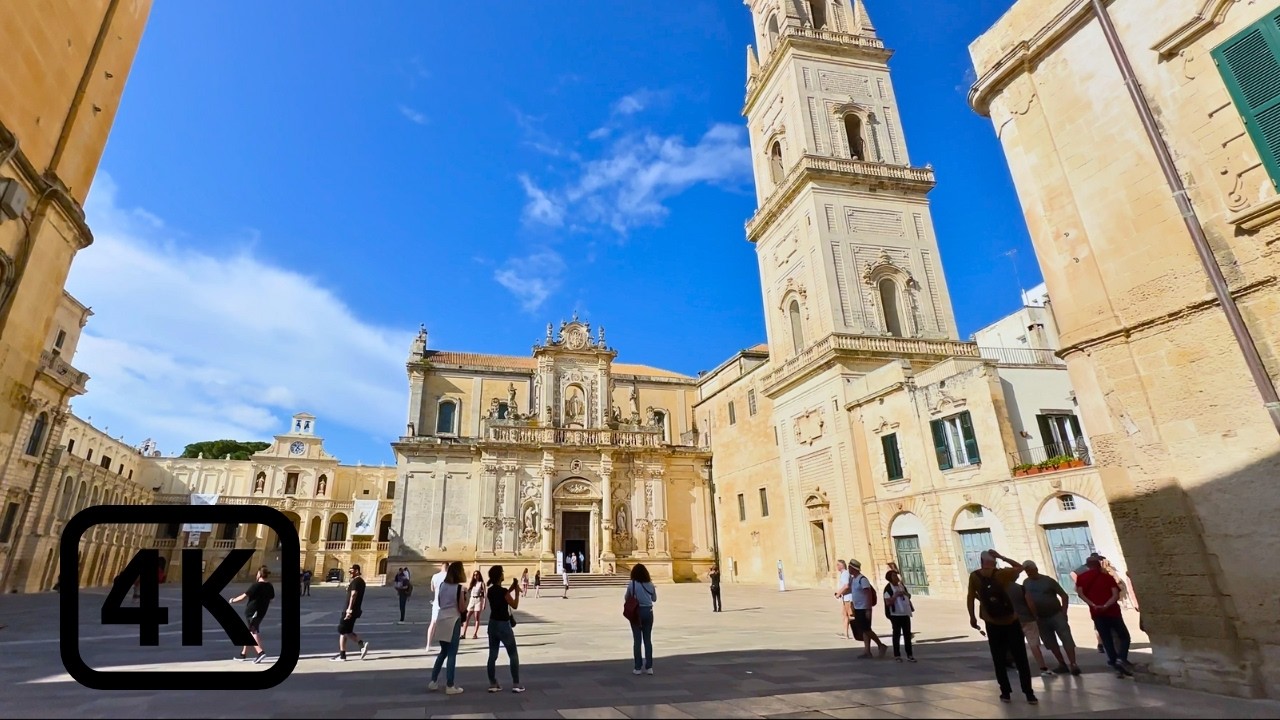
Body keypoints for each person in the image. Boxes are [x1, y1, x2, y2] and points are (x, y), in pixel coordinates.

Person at [967, 549, 1037, 704]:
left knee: (998, 658)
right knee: (1020, 658)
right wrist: (1001, 556)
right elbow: (1020, 567)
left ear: (981, 561)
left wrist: (972, 617)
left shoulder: (974, 576)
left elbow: (970, 596)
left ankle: (1005, 693)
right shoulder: (1003, 574)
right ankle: (1029, 693)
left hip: (991, 621)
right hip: (1011, 620)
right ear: (994, 562)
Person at [1076, 555, 1134, 677]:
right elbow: (1115, 595)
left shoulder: (1081, 578)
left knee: (1106, 640)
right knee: (1124, 637)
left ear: (1087, 566)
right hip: (1112, 612)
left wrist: (1093, 605)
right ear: (1099, 565)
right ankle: (1121, 659)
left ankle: (1115, 664)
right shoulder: (1107, 577)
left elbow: (1080, 594)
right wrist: (1106, 605)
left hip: (1097, 613)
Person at [1022, 560, 1079, 675]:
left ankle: (1073, 664)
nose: (1029, 573)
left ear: (1036, 569)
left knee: (1066, 638)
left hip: (1056, 614)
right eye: (1027, 571)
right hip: (1040, 618)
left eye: (1030, 570)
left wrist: (1064, 612)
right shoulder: (1026, 583)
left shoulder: (1048, 581)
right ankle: (1062, 663)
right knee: (1050, 642)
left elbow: (1064, 595)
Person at [485, 565, 525, 693]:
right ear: (499, 576)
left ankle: (493, 683)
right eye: (502, 573)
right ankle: (516, 684)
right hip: (503, 625)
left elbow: (502, 595)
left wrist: (512, 587)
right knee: (513, 654)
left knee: (492, 655)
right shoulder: (503, 592)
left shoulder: (490, 591)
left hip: (492, 624)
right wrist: (517, 592)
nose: (503, 574)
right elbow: (514, 605)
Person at [429, 561, 467, 695]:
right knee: (452, 654)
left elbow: (439, 602)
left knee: (443, 652)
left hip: (441, 618)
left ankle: (433, 681)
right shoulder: (459, 588)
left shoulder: (442, 585)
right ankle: (450, 685)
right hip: (453, 620)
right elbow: (462, 608)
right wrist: (465, 598)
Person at [1008, 576, 1054, 678]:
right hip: (1028, 618)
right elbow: (1030, 603)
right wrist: (1035, 615)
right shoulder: (1021, 588)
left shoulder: (1002, 590)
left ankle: (1020, 667)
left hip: (1013, 620)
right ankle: (1043, 668)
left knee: (1017, 645)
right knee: (1034, 644)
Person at [229, 566, 275, 664]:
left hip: (253, 612)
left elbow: (244, 596)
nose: (256, 575)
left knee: (253, 631)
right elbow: (271, 599)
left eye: (257, 573)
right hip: (261, 612)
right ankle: (243, 654)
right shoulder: (270, 586)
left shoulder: (256, 585)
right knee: (250, 631)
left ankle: (260, 652)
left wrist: (233, 600)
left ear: (260, 574)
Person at [848, 560, 888, 659]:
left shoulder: (862, 579)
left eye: (850, 567)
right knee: (864, 630)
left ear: (854, 568)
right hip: (858, 608)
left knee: (866, 629)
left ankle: (880, 645)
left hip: (864, 608)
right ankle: (867, 651)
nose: (849, 569)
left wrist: (868, 609)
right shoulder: (853, 579)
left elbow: (868, 594)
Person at [331, 563, 369, 662]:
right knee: (347, 631)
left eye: (351, 571)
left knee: (342, 630)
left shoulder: (356, 581)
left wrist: (349, 609)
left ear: (357, 571)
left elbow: (354, 594)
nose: (350, 573)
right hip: (356, 610)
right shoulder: (360, 581)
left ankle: (343, 655)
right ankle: (359, 646)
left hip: (350, 610)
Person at [626, 564, 658, 675]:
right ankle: (649, 667)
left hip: (636, 612)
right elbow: (654, 599)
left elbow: (627, 597)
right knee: (647, 640)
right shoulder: (650, 584)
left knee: (637, 641)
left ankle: (638, 667)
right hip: (648, 612)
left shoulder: (632, 584)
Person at [883, 570, 915, 662]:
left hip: (905, 613)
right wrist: (895, 596)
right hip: (895, 614)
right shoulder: (888, 589)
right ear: (890, 578)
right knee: (896, 634)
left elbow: (909, 596)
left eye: (896, 575)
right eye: (894, 576)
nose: (896, 577)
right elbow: (888, 602)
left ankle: (909, 654)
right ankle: (897, 655)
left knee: (907, 634)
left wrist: (904, 593)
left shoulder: (901, 586)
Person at [425, 560, 448, 652]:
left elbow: (432, 589)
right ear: (448, 567)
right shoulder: (449, 576)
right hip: (447, 603)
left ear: (441, 566)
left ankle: (428, 645)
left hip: (436, 602)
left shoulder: (435, 576)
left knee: (433, 623)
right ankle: (445, 646)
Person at [464, 570, 486, 640]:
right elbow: (467, 590)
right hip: (472, 600)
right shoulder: (472, 583)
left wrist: (484, 603)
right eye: (474, 575)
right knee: (467, 617)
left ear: (479, 575)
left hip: (478, 600)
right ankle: (463, 633)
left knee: (476, 617)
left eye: (477, 575)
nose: (475, 576)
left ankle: (475, 634)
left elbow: (485, 594)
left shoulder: (481, 583)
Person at [833, 560, 852, 639]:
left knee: (850, 615)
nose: (836, 567)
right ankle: (845, 633)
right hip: (845, 597)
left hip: (848, 598)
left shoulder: (845, 574)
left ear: (841, 566)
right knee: (845, 615)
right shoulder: (844, 574)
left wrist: (838, 594)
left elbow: (846, 585)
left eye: (838, 565)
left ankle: (861, 632)